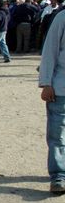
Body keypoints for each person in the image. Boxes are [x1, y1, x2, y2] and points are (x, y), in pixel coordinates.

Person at [38, 10, 65, 193]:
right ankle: (59, 175)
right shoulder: (62, 18)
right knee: (57, 135)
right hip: (61, 87)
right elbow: (50, 51)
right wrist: (46, 83)